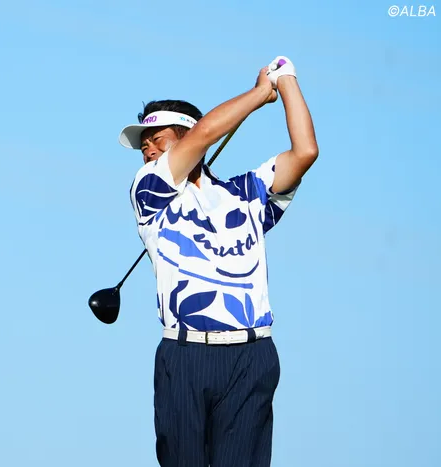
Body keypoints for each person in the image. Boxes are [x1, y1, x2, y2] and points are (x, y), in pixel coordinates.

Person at [118, 56, 318, 467]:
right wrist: (260, 94)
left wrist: (286, 78)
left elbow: (305, 151)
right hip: (185, 355)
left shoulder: (246, 194)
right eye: (144, 145)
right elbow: (205, 133)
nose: (148, 149)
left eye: (157, 138)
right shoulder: (149, 192)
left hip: (252, 355)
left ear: (184, 134)